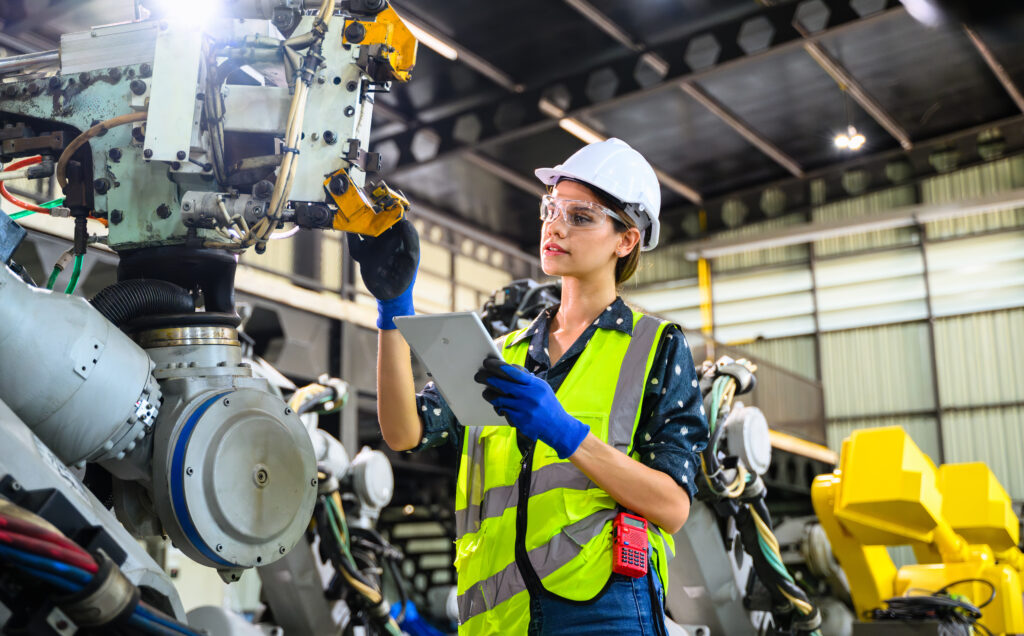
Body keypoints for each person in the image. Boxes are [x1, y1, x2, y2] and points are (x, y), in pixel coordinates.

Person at [350, 138, 709, 635]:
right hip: (496, 617)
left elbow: (672, 507)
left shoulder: (655, 347)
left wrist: (566, 433)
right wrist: (394, 311)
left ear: (626, 240)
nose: (555, 226)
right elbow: (403, 432)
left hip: (600, 611)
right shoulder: (501, 351)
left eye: (581, 217)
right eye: (551, 209)